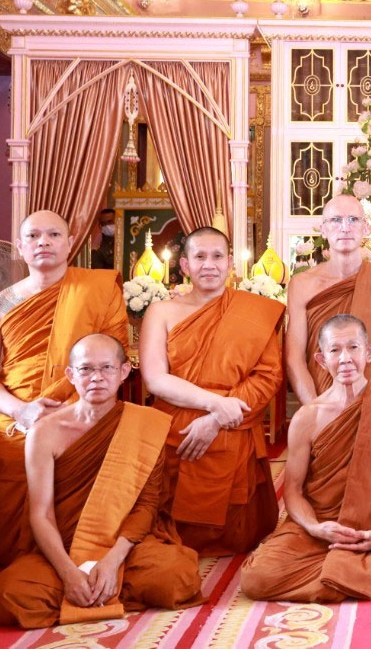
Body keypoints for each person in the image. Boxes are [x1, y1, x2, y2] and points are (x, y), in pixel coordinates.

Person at [0, 334, 202, 628]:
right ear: (71, 375)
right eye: (86, 369)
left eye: (107, 368)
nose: (96, 378)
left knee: (177, 577)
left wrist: (112, 562)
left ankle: (101, 586)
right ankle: (95, 589)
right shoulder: (44, 432)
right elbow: (40, 514)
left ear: (124, 372)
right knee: (6, 596)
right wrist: (68, 574)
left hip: (124, 545)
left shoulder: (145, 424)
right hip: (64, 545)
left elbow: (146, 507)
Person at [240, 315, 371, 602]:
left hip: (368, 530)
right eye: (335, 350)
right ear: (322, 360)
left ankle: (339, 575)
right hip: (316, 528)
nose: (345, 358)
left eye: (353, 347)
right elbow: (293, 490)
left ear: (369, 352)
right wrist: (315, 527)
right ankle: (356, 576)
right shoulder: (307, 417)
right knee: (256, 578)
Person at [0, 210, 127, 565]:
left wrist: (75, 410)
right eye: (34, 236)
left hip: (86, 416)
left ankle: (85, 561)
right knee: (14, 541)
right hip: (20, 421)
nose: (44, 242)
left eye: (54, 235)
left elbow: (114, 363)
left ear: (70, 243)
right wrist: (22, 411)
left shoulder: (98, 290)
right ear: (20, 246)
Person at [140, 226, 284, 555]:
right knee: (165, 526)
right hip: (179, 427)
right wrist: (216, 405)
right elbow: (155, 379)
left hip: (232, 423)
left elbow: (267, 377)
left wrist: (216, 420)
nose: (209, 264)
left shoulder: (253, 311)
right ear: (185, 265)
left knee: (236, 534)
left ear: (230, 263)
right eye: (200, 256)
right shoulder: (161, 312)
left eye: (217, 256)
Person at [285, 194, 371, 404]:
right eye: (335, 220)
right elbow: (295, 358)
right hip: (322, 404)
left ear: (366, 228)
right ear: (323, 229)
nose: (345, 228)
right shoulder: (302, 285)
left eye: (353, 220)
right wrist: (316, 410)